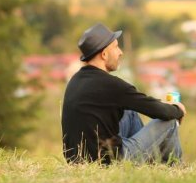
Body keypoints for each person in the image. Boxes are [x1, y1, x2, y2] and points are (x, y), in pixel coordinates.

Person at [61, 22, 186, 165]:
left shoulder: (75, 81)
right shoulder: (111, 85)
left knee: (129, 113)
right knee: (169, 122)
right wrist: (178, 110)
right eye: (116, 47)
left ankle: (149, 163)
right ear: (104, 54)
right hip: (110, 161)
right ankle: (175, 168)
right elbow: (160, 112)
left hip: (78, 160)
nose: (120, 52)